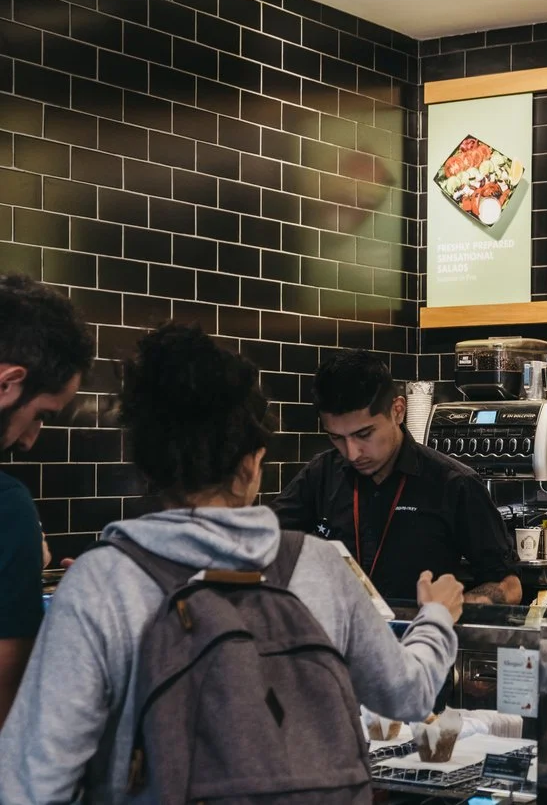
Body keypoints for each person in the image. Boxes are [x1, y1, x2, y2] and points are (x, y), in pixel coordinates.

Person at [0, 324, 463, 803]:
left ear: (146, 465)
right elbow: (408, 694)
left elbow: (33, 781)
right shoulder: (319, 566)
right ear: (252, 462)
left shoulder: (102, 581)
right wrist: (436, 618)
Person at [272, 349, 522, 605]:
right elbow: (265, 542)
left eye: (364, 434)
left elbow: (509, 585)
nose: (352, 453)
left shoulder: (454, 483)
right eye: (336, 437)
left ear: (398, 410)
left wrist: (457, 606)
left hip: (421, 637)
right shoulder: (321, 473)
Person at [0, 274, 93, 731]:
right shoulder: (7, 508)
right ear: (8, 383)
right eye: (41, 416)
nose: (31, 439)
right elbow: (7, 706)